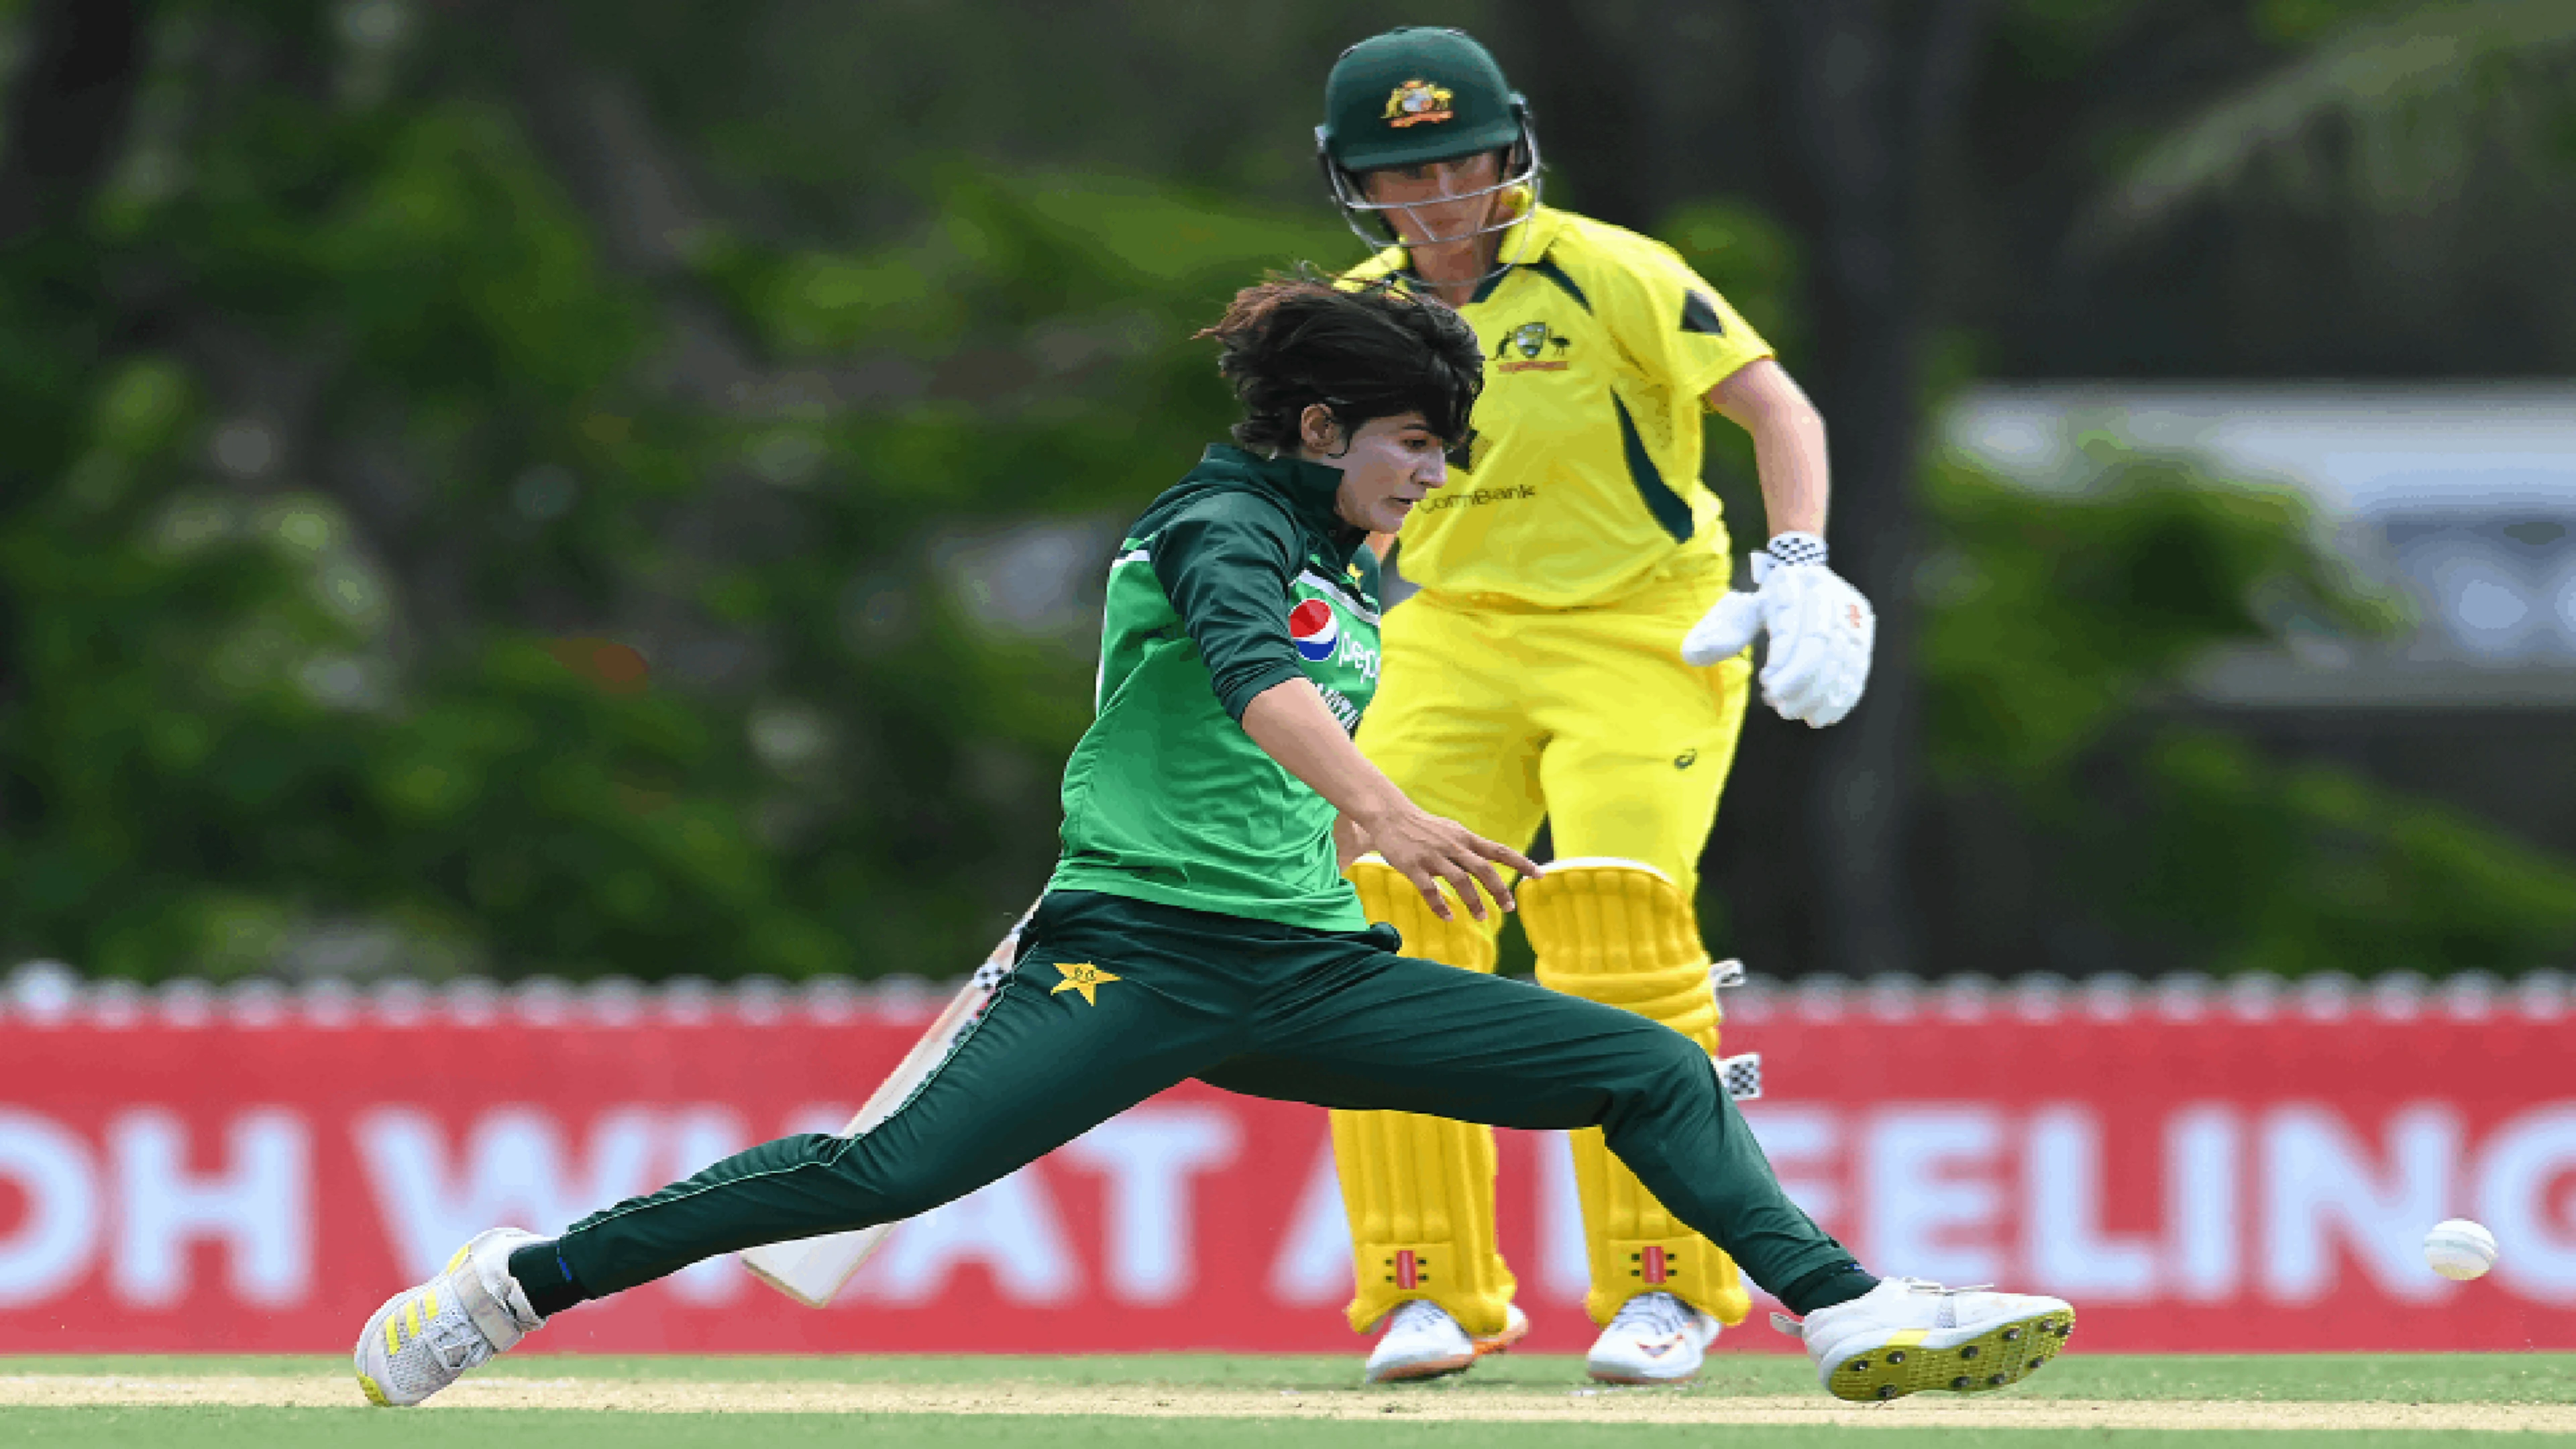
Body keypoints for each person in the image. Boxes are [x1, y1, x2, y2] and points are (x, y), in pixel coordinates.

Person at [352, 275, 2067, 1411]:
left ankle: (1848, 1312)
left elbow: (1308, 683)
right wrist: (1386, 808)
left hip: (1302, 972)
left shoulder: (1344, 557)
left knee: (1652, 1072)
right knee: (872, 1181)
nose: (1433, 475)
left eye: (1446, 448)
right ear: (1323, 431)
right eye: (1415, 443)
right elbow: (1257, 686)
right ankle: (517, 1282)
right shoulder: (1212, 525)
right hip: (1128, 958)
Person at [1307, 28, 1877, 1385]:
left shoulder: (1615, 270)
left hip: (1641, 629)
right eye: (1407, 175)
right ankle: (1424, 1292)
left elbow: (1778, 410)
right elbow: (1327, 496)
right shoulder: (1353, 312)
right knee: (1386, 930)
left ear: (1513, 147)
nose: (1441, 197)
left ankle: (1666, 1286)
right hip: (1450, 636)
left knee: (1615, 918)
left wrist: (1796, 564)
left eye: (1463, 161)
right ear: (1358, 185)